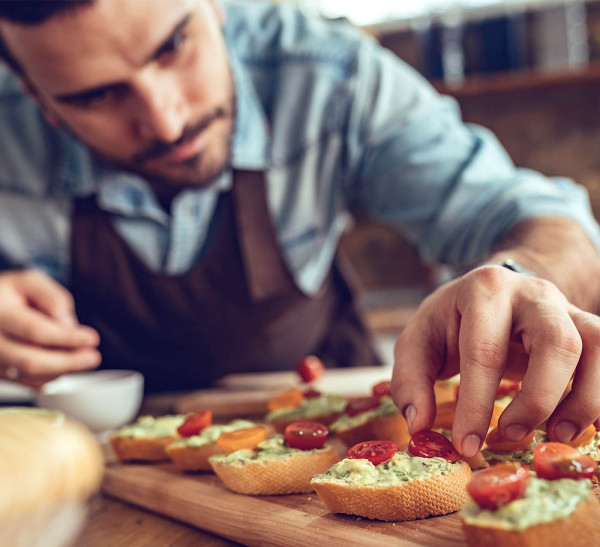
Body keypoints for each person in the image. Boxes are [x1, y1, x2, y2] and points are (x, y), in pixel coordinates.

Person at [0, 0, 599, 460]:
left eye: (174, 45)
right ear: (36, 95)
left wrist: (524, 277)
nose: (167, 120)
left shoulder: (328, 72)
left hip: (333, 436)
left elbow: (538, 215)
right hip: (83, 467)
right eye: (98, 95)